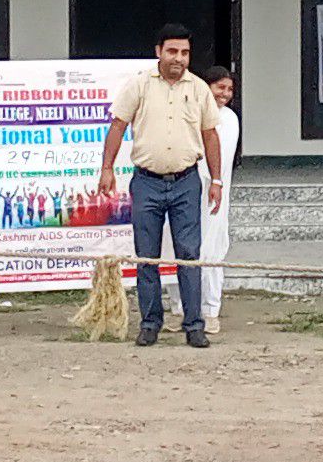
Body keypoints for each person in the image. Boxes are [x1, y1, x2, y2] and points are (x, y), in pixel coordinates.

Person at [97, 22, 226, 349]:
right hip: (147, 184)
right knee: (147, 256)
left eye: (184, 52)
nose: (178, 58)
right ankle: (150, 324)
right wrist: (107, 168)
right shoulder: (138, 86)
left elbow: (210, 135)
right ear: (158, 52)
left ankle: (194, 325)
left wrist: (217, 180)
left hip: (187, 182)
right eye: (172, 51)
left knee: (188, 254)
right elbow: (118, 125)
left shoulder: (198, 89)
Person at [196, 65, 245, 334]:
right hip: (186, 190)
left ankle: (210, 310)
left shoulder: (228, 118)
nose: (224, 94)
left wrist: (214, 183)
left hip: (214, 191)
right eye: (219, 87)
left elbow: (219, 159)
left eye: (229, 89)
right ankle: (180, 308)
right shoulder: (191, 112)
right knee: (176, 247)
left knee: (212, 247)